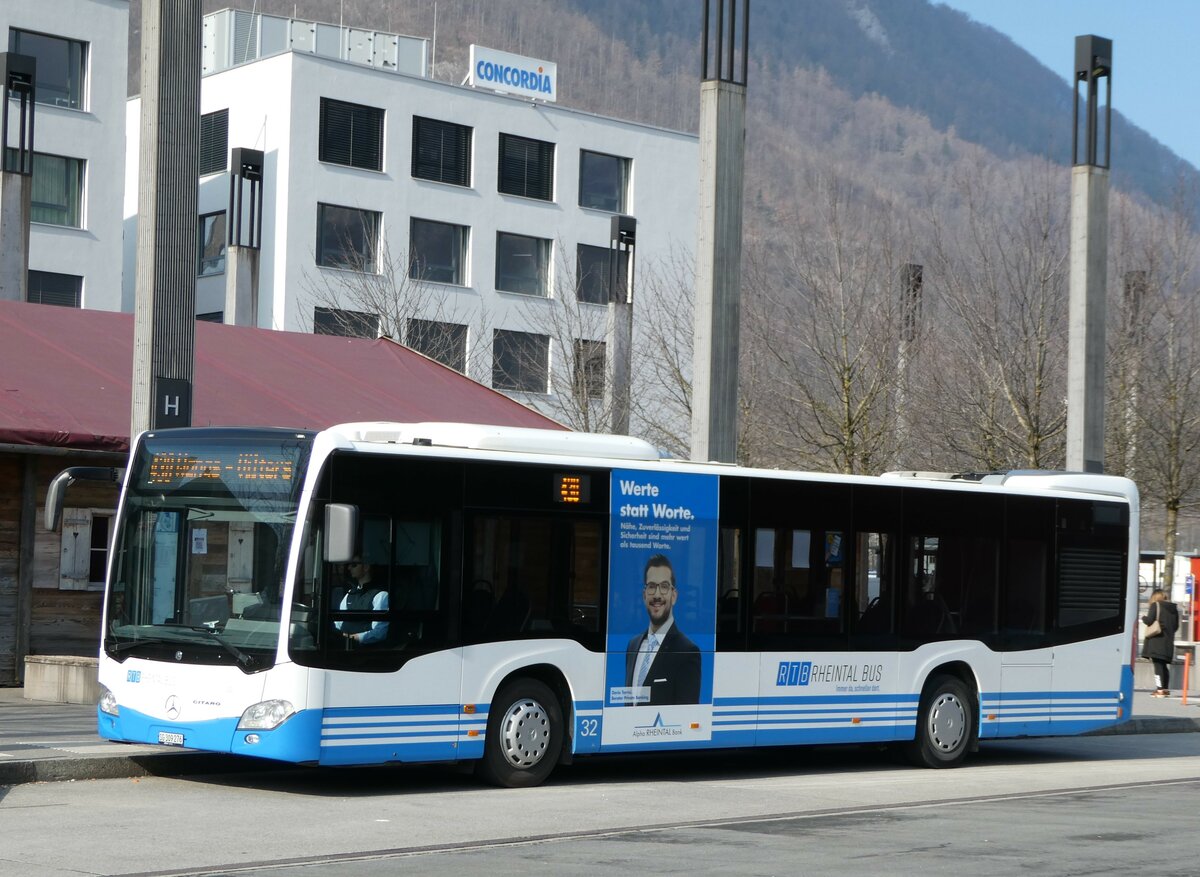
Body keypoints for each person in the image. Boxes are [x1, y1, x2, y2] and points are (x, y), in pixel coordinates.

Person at [624, 553, 701, 705]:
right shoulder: (633, 645)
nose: (657, 595)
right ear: (644, 595)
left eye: (664, 587)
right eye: (652, 586)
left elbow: (687, 713)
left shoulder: (687, 651)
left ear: (674, 596)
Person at [335, 557, 389, 645]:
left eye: (354, 565)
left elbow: (379, 633)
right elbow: (338, 623)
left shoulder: (381, 595)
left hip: (364, 651)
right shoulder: (350, 594)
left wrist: (353, 638)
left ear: (366, 567)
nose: (349, 568)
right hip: (344, 646)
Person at [1142, 588, 1179, 697]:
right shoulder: (1173, 609)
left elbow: (1149, 621)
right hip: (1168, 642)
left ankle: (1160, 690)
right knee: (1163, 666)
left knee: (1158, 666)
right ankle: (1165, 689)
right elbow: (1175, 627)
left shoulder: (1155, 606)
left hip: (1156, 641)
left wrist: (1143, 618)